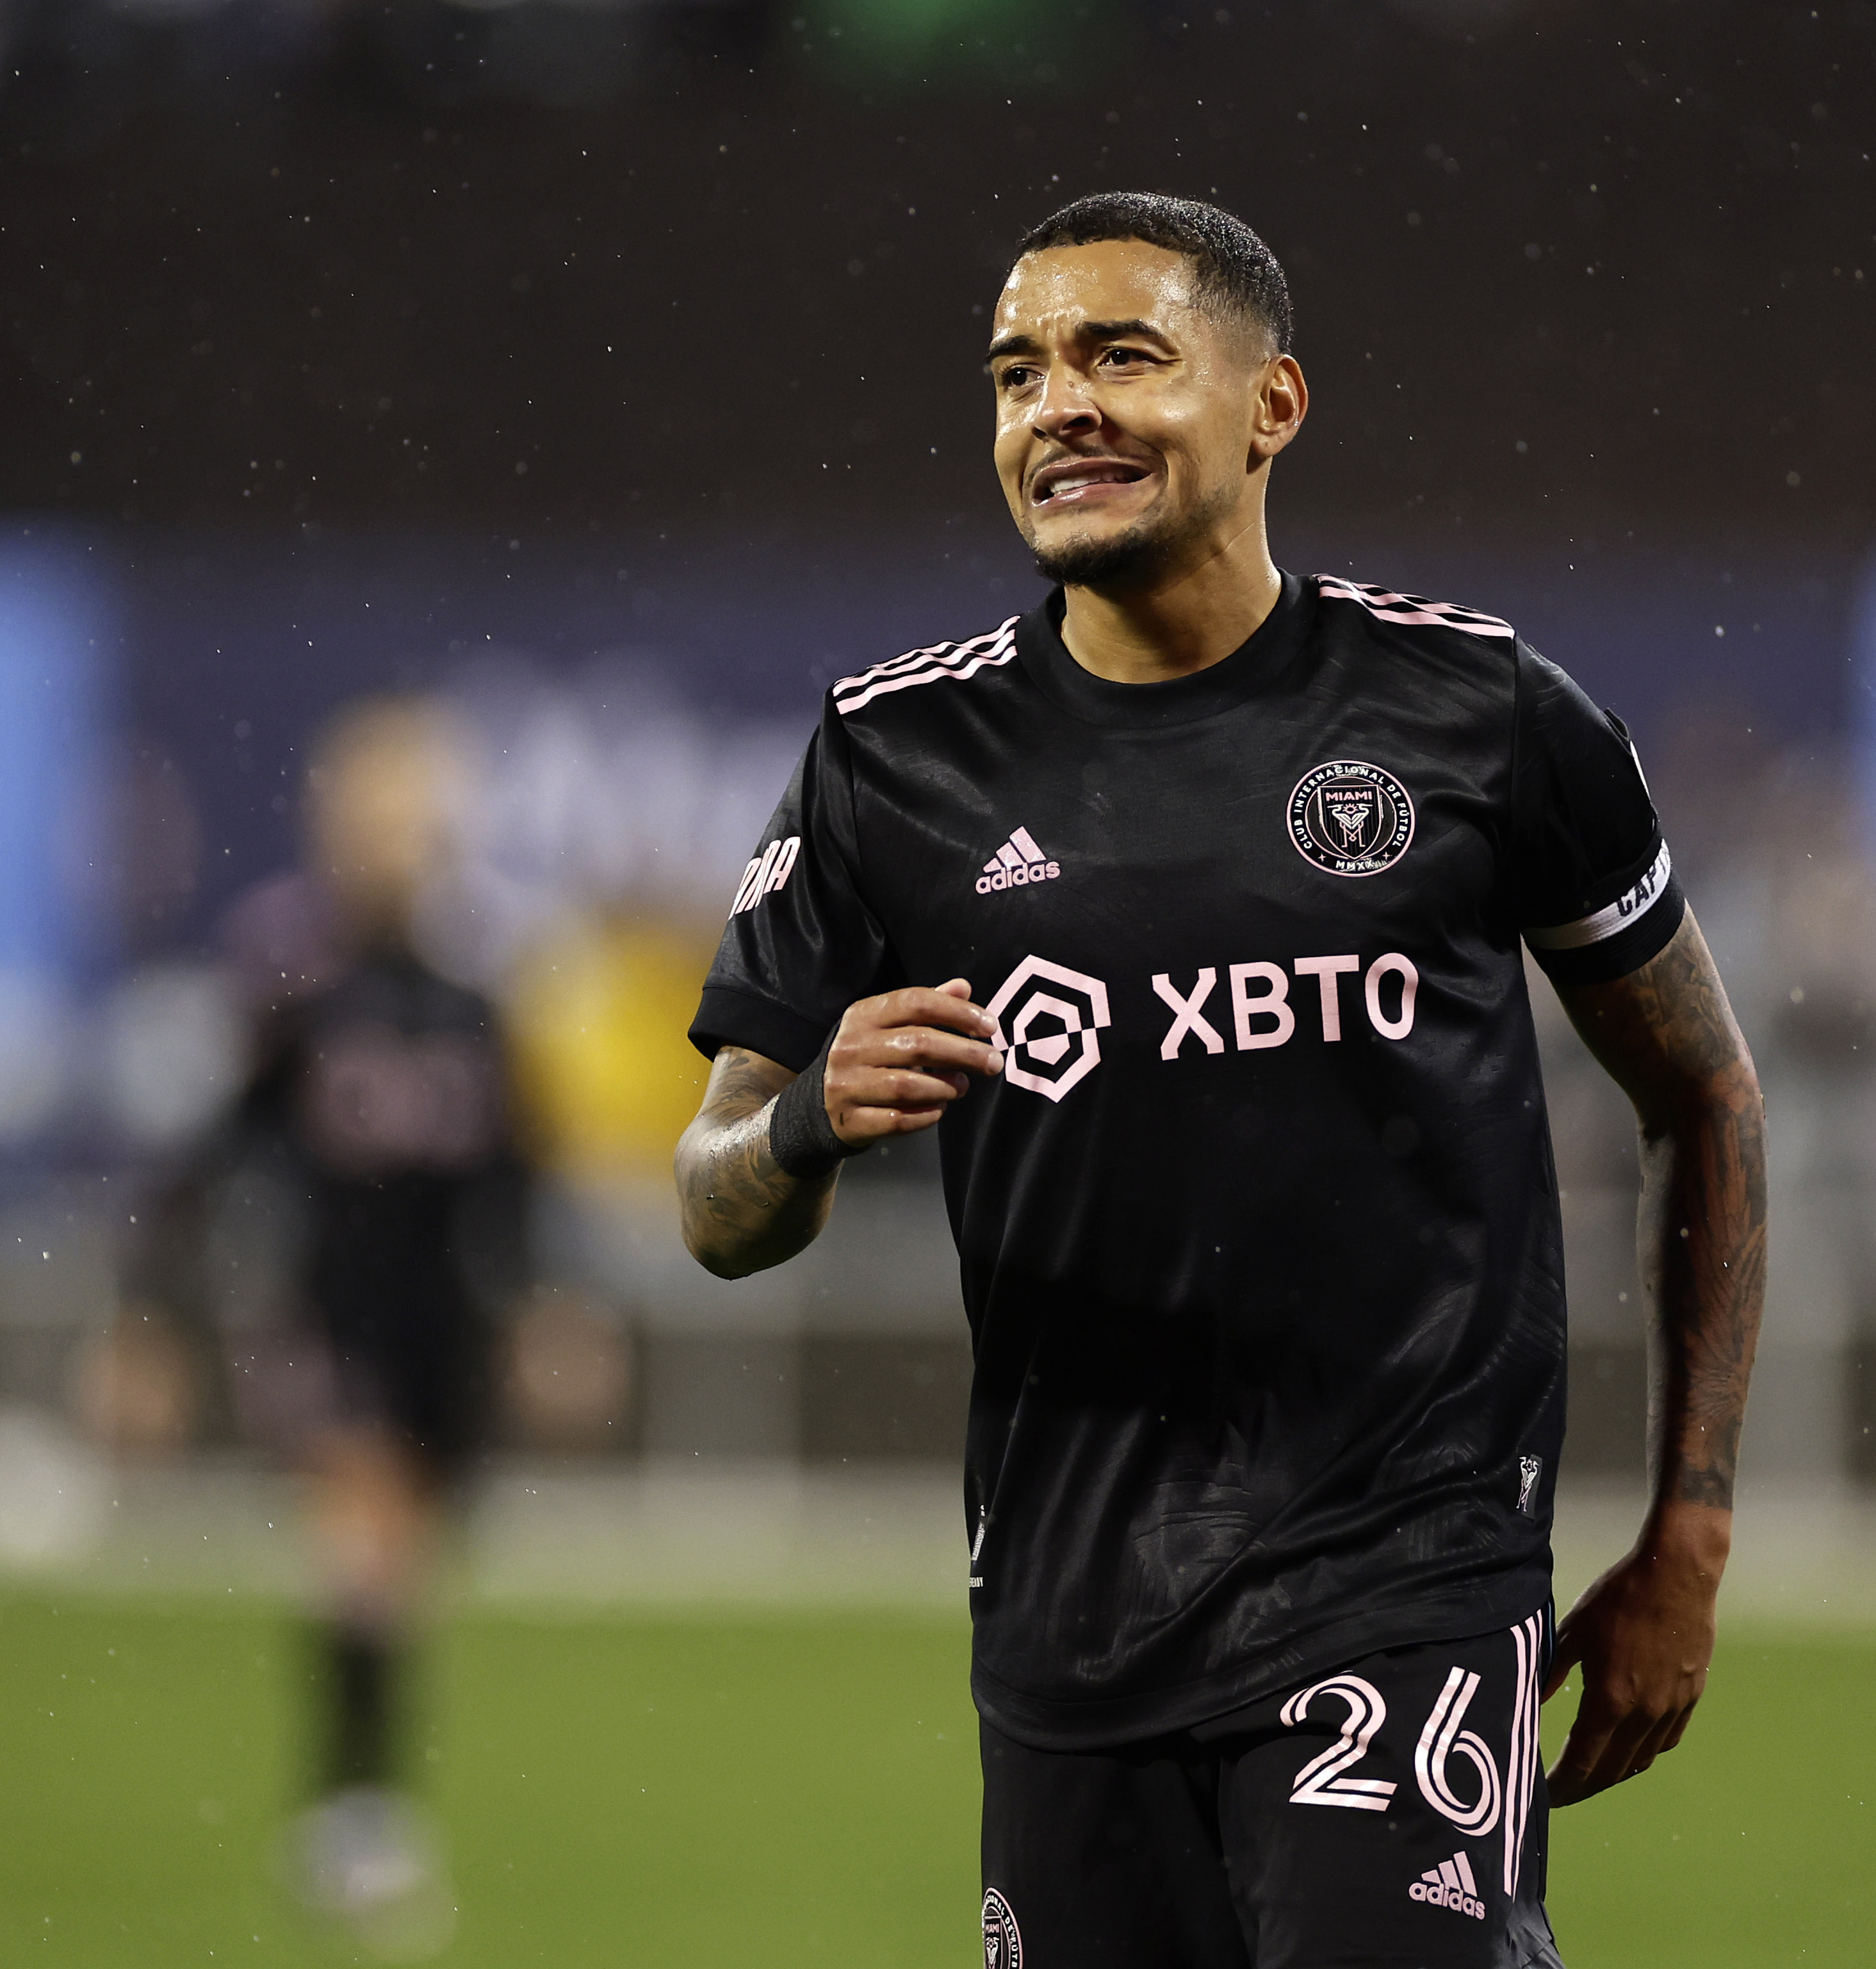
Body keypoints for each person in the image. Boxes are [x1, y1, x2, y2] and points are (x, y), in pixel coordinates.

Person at [673, 192, 1766, 1969]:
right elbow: (713, 1200)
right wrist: (795, 1122)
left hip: (1404, 1583)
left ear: (1271, 407)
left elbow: (1704, 1092)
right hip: (1060, 1626)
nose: (1058, 407)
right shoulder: (892, 757)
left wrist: (1690, 1530)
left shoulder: (1477, 715)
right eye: (1018, 371)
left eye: (1123, 356)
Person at [100, 696, 525, 1959]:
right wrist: (150, 1317)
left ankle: (357, 1803)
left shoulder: (470, 998)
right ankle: (357, 1819)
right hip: (330, 1317)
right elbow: (211, 1157)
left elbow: (514, 1176)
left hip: (439, 1329)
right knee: (368, 1545)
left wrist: (549, 1307)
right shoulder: (297, 985)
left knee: (397, 1581)